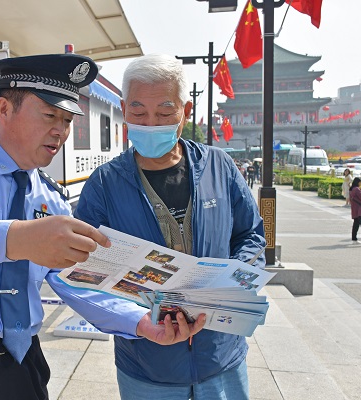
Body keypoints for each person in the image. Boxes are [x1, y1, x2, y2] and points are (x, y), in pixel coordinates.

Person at [0, 53, 203, 400]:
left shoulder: (51, 200)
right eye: (50, 115)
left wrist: (141, 322)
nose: (61, 131)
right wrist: (15, 239)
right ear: (5, 109)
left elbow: (77, 280)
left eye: (68, 120)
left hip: (20, 364)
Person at [75, 54, 266, 400]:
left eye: (164, 113)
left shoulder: (218, 167)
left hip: (221, 360)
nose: (150, 123)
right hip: (147, 368)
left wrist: (232, 285)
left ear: (185, 111)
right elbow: (82, 272)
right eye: (138, 113)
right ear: (122, 109)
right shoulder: (104, 184)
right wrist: (139, 323)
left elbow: (250, 235)